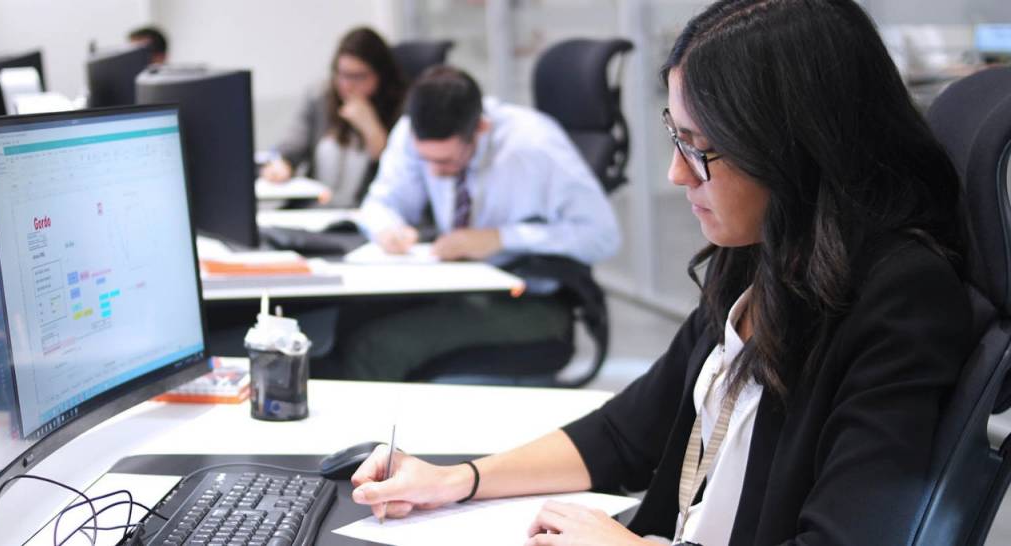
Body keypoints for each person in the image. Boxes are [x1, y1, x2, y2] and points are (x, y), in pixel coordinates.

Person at [345, 1, 976, 544]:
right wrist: (456, 480)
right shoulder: (761, 254)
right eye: (676, 137)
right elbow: (626, 433)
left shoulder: (898, 297)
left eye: (701, 149)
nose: (678, 174)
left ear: (794, 147)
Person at [323, 65, 620, 382]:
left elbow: (602, 235)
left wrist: (501, 238)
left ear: (480, 127)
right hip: (459, 286)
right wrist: (388, 228)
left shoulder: (534, 146)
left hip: (531, 299)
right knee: (345, 320)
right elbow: (381, 202)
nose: (434, 173)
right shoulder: (414, 132)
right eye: (426, 161)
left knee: (377, 348)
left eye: (446, 161)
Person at [260, 27, 406, 208]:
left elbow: (398, 173)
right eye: (342, 74)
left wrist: (370, 126)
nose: (347, 85)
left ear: (380, 75)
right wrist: (283, 163)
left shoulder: (402, 108)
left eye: (358, 76)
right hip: (315, 211)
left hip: (362, 214)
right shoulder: (320, 98)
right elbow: (292, 146)